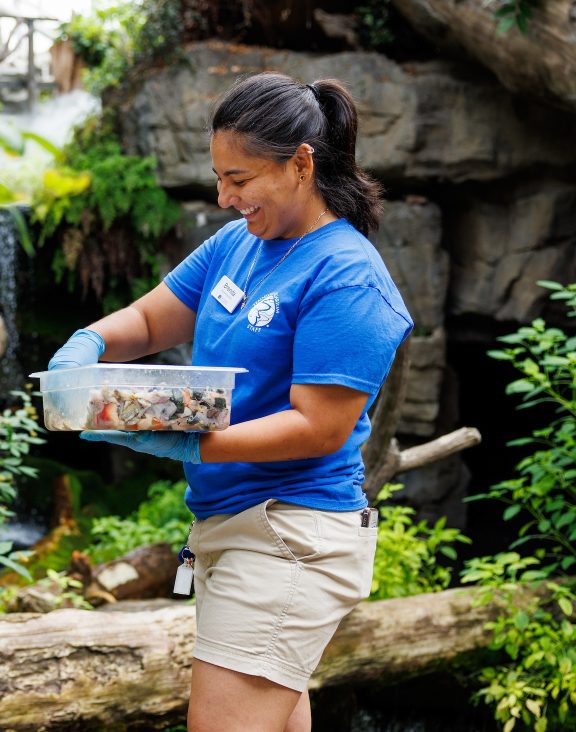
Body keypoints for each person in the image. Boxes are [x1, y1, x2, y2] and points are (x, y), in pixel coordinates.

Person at [46, 73, 414, 732]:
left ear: (301, 164)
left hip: (289, 538)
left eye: (239, 180)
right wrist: (90, 342)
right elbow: (154, 321)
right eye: (219, 179)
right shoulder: (239, 245)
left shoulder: (346, 275)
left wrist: (185, 440)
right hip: (234, 528)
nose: (224, 198)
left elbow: (318, 428)